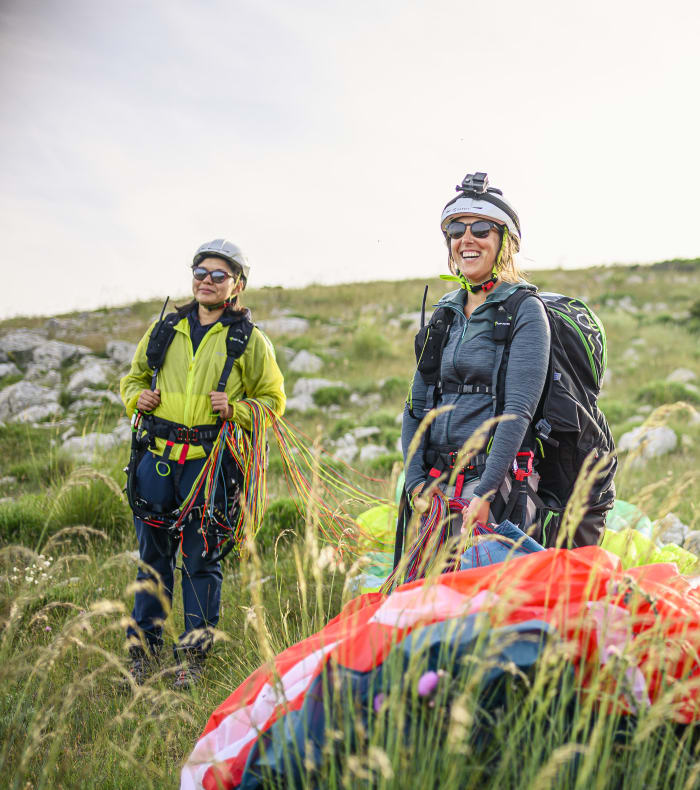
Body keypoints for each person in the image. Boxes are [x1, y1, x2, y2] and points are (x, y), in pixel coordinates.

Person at [120, 238, 285, 689]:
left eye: (218, 275)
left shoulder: (249, 341)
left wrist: (237, 410)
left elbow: (274, 401)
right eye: (200, 273)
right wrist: (138, 397)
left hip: (210, 465)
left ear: (237, 285)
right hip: (156, 461)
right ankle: (143, 653)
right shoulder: (163, 330)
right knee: (152, 559)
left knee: (200, 560)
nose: (206, 282)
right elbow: (131, 379)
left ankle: (191, 659)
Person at [401, 173, 551, 541]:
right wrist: (416, 482)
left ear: (505, 243)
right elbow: (415, 407)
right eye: (456, 232)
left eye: (481, 229)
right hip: (435, 485)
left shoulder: (525, 310)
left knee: (481, 596)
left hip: (492, 489)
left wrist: (484, 492)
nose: (466, 239)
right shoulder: (444, 314)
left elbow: (517, 412)